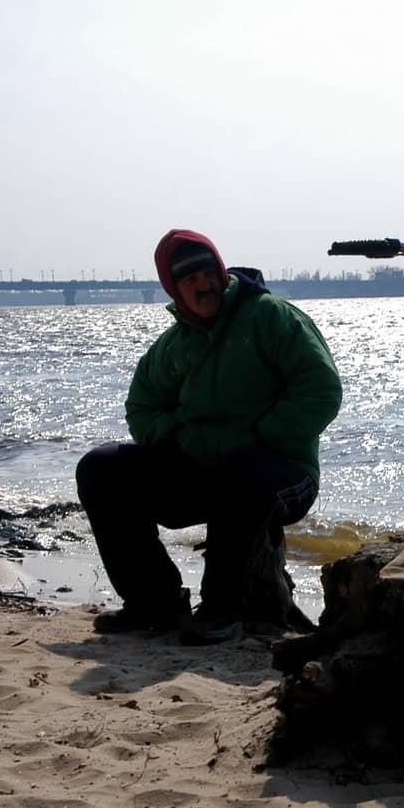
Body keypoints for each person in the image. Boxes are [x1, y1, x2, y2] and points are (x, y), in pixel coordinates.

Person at [76, 230, 342, 644]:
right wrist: (179, 441)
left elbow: (321, 389)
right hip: (202, 473)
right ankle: (154, 602)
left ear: (220, 272)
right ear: (175, 290)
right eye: (189, 280)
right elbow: (142, 409)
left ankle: (222, 608)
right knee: (101, 468)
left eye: (207, 273)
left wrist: (261, 435)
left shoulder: (271, 316)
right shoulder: (172, 346)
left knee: (242, 469)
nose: (203, 285)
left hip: (283, 473)